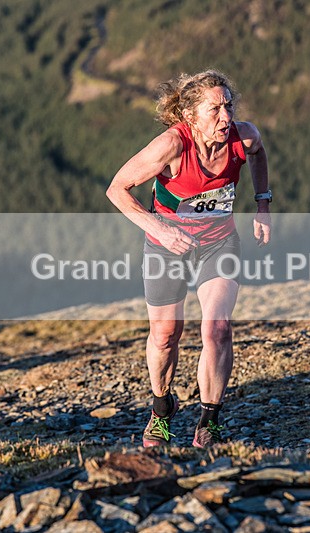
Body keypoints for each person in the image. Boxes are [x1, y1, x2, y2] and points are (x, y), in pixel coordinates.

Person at [107, 70, 272, 449]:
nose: (225, 117)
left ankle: (208, 422)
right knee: (165, 335)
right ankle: (161, 410)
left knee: (217, 329)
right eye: (213, 109)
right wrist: (161, 229)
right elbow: (116, 189)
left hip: (218, 245)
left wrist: (263, 203)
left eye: (228, 106)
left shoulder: (243, 137)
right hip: (167, 247)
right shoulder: (171, 146)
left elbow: (259, 153)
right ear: (190, 116)